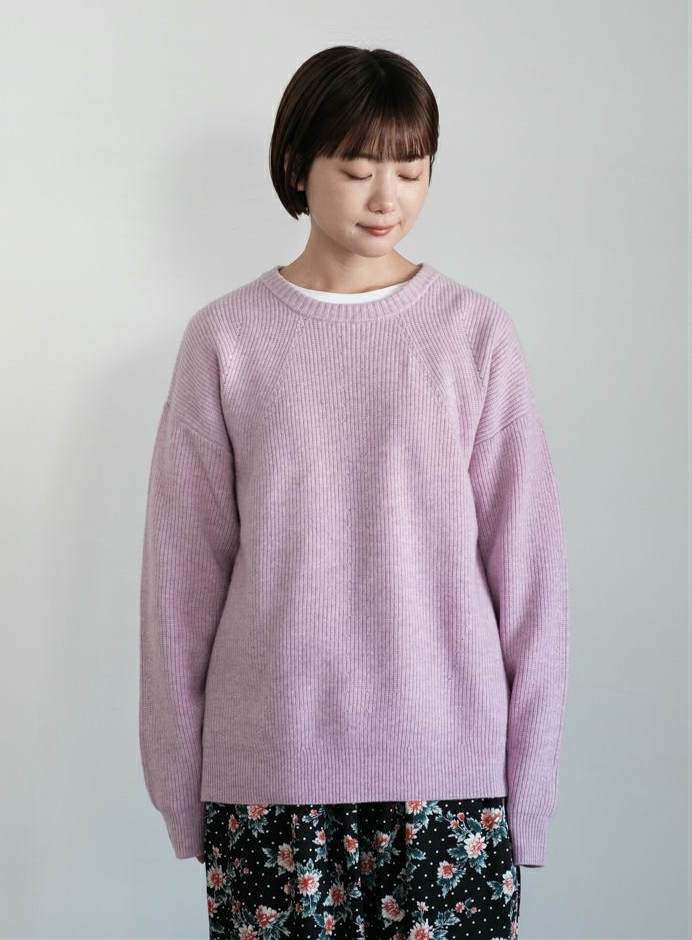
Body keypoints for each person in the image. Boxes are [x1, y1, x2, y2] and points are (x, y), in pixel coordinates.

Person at [139, 45, 570, 939]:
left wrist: (527, 795)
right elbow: (179, 585)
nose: (387, 198)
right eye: (358, 168)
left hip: (450, 783)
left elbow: (532, 581)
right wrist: (182, 789)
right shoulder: (226, 340)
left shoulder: (474, 335)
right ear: (298, 166)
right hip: (270, 782)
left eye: (412, 171)